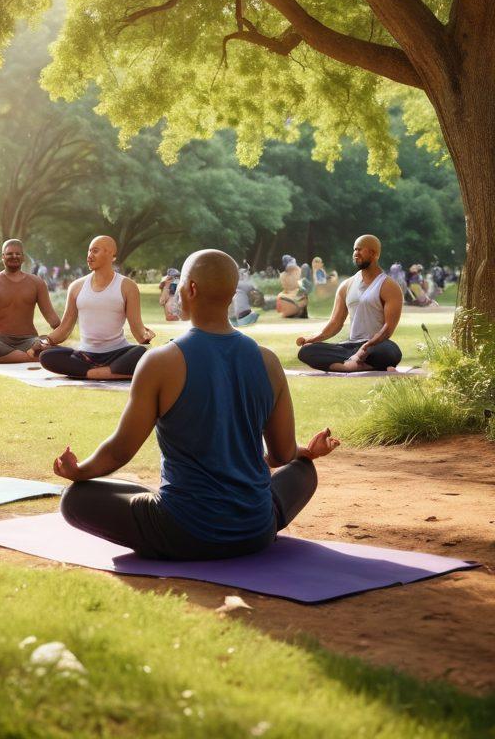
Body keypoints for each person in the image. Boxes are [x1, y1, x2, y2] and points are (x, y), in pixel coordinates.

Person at [53, 249, 338, 559]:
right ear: (232, 294)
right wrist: (305, 452)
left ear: (190, 289)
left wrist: (79, 471)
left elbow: (120, 450)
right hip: (256, 530)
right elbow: (282, 454)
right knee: (304, 470)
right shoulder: (267, 361)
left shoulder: (160, 362)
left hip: (183, 531)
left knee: (75, 500)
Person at [37, 236, 155, 380]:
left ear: (111, 254)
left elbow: (137, 330)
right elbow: (65, 328)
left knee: (142, 353)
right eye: (89, 251)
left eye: (95, 251)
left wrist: (145, 337)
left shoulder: (127, 286)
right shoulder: (76, 287)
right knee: (47, 356)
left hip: (117, 353)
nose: (89, 256)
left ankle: (90, 373)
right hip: (85, 356)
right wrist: (45, 342)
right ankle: (111, 372)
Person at [296, 234, 403, 372]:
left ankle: (354, 364)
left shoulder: (389, 286)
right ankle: (350, 366)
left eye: (360, 250)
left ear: (374, 253)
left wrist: (366, 347)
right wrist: (311, 339)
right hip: (350, 347)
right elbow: (335, 324)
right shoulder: (346, 285)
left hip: (375, 346)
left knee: (390, 352)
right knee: (307, 351)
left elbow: (388, 328)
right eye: (354, 250)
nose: (356, 254)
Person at [0, 239, 61, 362]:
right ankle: (30, 356)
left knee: (48, 345)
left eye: (18, 254)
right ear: (3, 257)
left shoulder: (37, 283)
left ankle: (1, 358)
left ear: (23, 257)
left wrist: (63, 329)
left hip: (30, 341)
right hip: (0, 341)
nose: (14, 256)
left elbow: (51, 316)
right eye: (9, 254)